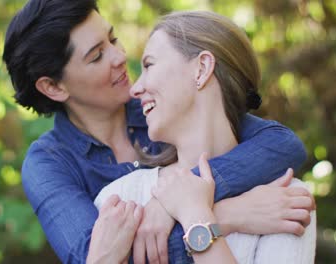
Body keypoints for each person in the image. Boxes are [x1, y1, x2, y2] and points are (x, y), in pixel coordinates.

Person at [1, 0, 313, 263]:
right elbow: (98, 257)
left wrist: (174, 199)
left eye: (113, 39)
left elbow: (281, 144)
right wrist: (222, 215)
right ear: (54, 86)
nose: (120, 57)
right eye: (96, 55)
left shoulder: (165, 111)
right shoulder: (50, 163)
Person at [94, 10, 316, 263]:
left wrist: (194, 212)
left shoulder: (286, 198)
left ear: (202, 68)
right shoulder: (121, 197)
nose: (135, 88)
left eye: (149, 65)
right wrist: (220, 217)